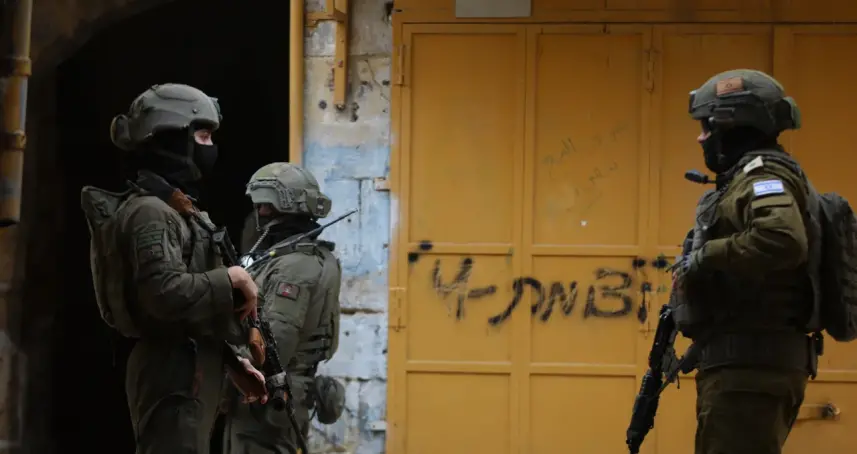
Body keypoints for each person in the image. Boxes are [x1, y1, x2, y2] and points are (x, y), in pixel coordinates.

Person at [80, 83, 268, 454]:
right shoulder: (151, 213)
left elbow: (189, 316)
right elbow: (162, 296)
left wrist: (231, 363)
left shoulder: (180, 211)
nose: (210, 148)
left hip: (192, 369)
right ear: (171, 139)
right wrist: (230, 278)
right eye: (203, 136)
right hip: (172, 375)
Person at [672, 69, 817, 454]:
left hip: (750, 373)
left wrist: (704, 257)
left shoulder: (762, 176)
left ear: (730, 125)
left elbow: (782, 239)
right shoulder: (747, 178)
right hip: (746, 369)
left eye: (706, 126)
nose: (701, 138)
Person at [223, 162, 346, 454]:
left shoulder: (293, 268)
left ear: (283, 207)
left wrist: (226, 366)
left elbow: (273, 348)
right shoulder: (310, 256)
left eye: (265, 206)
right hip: (278, 398)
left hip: (266, 404)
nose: (259, 213)